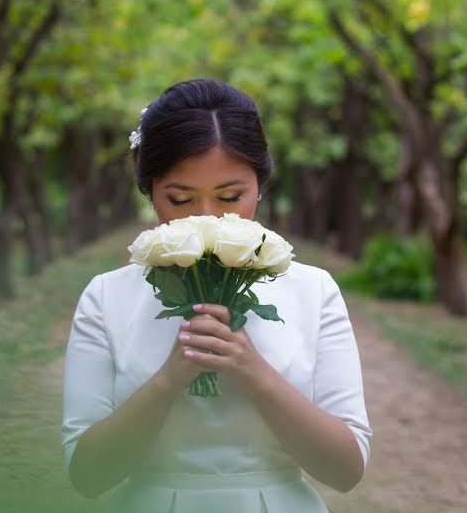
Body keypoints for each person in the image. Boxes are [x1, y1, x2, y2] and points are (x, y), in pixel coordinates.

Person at [62, 79, 371, 513]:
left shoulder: (313, 290)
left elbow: (345, 470)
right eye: (180, 198)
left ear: (260, 185)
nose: (206, 216)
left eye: (230, 196)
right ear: (149, 191)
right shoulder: (106, 297)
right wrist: (169, 379)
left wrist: (253, 372)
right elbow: (87, 475)